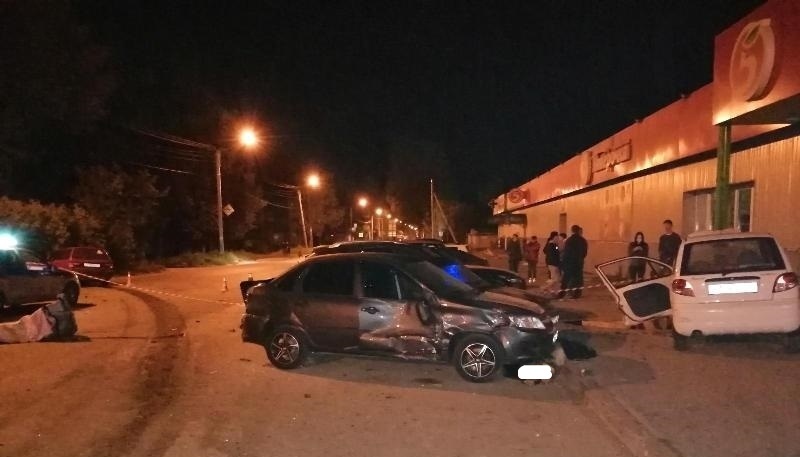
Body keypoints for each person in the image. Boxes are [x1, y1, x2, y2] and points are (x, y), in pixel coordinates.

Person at [560, 225, 588, 299]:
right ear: (579, 231)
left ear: (572, 230)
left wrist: (564, 262)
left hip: (569, 263)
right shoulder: (583, 240)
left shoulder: (569, 240)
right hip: (579, 262)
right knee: (578, 279)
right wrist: (580, 258)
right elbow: (585, 252)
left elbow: (567, 252)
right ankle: (577, 294)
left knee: (566, 278)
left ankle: (562, 293)